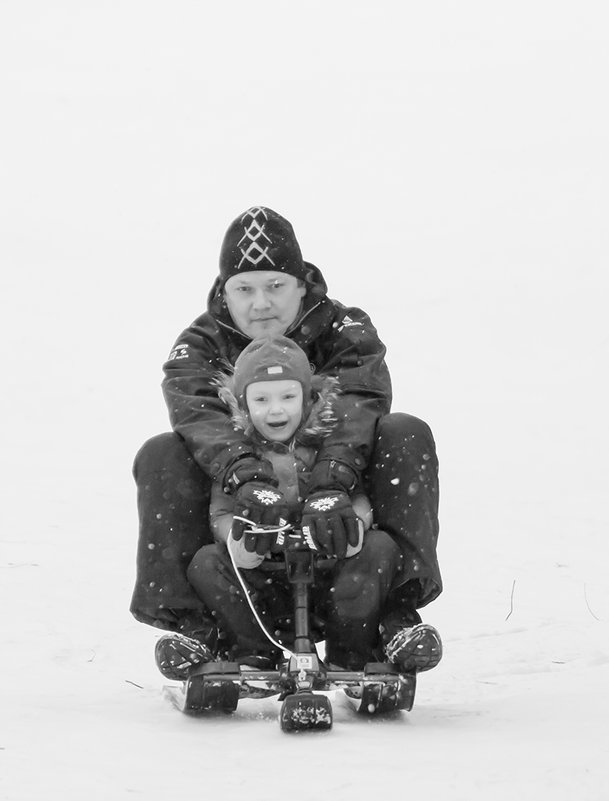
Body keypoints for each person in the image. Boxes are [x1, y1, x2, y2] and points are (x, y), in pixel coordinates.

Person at [130, 206, 443, 677]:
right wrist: (246, 478)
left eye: (275, 286)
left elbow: (360, 402)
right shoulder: (200, 344)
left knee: (405, 432)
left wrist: (331, 483)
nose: (261, 304)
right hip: (241, 546)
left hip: (346, 537)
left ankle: (392, 617)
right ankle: (199, 627)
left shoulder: (345, 331)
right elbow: (199, 418)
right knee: (162, 453)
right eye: (245, 289)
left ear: (302, 284)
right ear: (224, 292)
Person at [154, 335, 442, 680]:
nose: (276, 410)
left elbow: (359, 497)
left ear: (307, 399)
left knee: (379, 550)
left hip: (328, 569)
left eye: (288, 397)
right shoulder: (237, 453)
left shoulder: (330, 443)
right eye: (261, 399)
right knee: (207, 564)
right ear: (243, 404)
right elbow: (220, 511)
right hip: (263, 576)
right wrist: (239, 539)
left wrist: (353, 527)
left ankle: (354, 652)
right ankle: (250, 653)